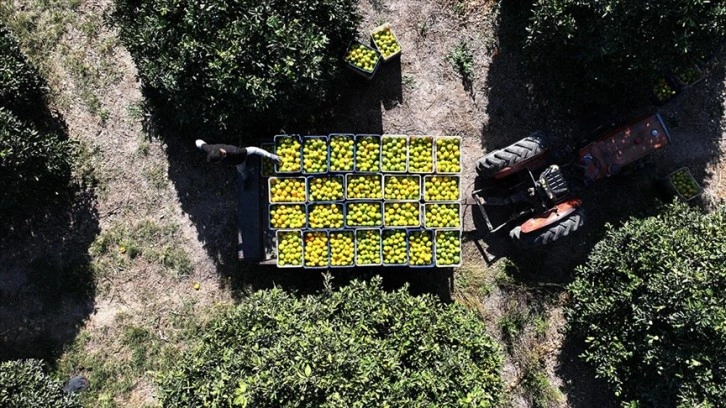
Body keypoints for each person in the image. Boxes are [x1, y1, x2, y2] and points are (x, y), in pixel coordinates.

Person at [195, 139, 281, 179]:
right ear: (219, 161)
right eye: (222, 154)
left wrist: (270, 155)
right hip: (237, 162)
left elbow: (254, 149)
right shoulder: (209, 149)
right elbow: (199, 143)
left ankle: (245, 177)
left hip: (240, 158)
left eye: (221, 151)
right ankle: (246, 178)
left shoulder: (236, 152)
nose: (223, 151)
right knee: (242, 171)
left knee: (241, 168)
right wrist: (200, 144)